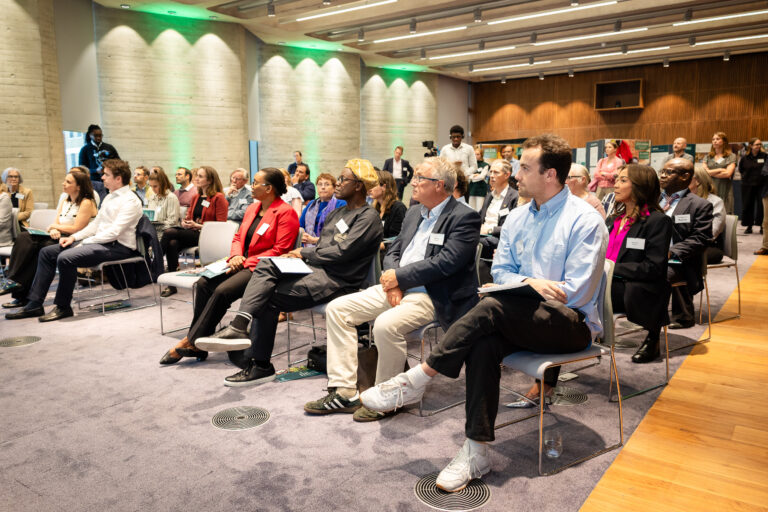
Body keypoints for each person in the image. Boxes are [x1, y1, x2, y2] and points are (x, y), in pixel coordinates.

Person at [360, 134, 607, 492]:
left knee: (491, 306)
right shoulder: (519, 217)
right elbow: (500, 272)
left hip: (570, 323)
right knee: (483, 340)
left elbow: (577, 290)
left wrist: (527, 286)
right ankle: (476, 451)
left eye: (525, 168)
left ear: (550, 174)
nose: (516, 175)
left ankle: (419, 377)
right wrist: (530, 283)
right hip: (517, 315)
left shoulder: (585, 220)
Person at [304, 156, 481, 421]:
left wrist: (400, 278)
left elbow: (446, 263)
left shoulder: (464, 217)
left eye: (420, 178)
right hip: (396, 287)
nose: (413, 182)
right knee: (338, 309)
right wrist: (393, 278)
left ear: (439, 185)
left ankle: (387, 397)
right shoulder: (414, 212)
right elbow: (394, 250)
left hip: (431, 294)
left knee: (385, 325)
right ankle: (344, 391)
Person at [193, 159, 383, 387]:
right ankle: (239, 327)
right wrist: (298, 256)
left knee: (267, 297)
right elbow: (324, 248)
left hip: (338, 280)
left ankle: (259, 364)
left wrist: (304, 252)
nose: (338, 183)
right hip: (315, 270)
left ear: (359, 185)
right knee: (267, 263)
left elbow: (342, 253)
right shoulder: (337, 213)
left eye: (343, 179)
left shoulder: (368, 217)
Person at [159, 168, 300, 365]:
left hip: (263, 268)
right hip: (240, 261)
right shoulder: (253, 208)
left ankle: (191, 341)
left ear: (269, 188)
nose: (251, 186)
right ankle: (197, 341)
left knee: (222, 291)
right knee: (203, 283)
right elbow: (238, 237)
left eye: (255, 183)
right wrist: (235, 256)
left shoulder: (285, 213)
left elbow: (280, 250)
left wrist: (244, 261)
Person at [6, 159, 142, 322]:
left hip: (118, 247)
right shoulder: (109, 197)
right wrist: (73, 238)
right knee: (46, 252)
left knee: (66, 257)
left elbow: (115, 232)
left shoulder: (130, 200)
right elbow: (96, 225)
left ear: (118, 178)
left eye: (106, 175)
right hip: (101, 242)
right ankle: (34, 303)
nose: (102, 178)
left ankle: (63, 307)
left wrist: (84, 242)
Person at [606, 164, 673, 363]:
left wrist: (609, 269)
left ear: (640, 186)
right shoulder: (614, 219)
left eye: (623, 180)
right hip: (607, 281)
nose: (616, 185)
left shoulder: (657, 221)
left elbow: (653, 268)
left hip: (634, 285)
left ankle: (653, 338)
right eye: (616, 179)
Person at [1, 170, 98, 307]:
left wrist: (55, 227)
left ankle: (20, 292)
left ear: (78, 186)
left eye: (68, 182)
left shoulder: (86, 202)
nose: (63, 183)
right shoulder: (65, 201)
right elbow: (55, 223)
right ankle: (15, 284)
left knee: (38, 249)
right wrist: (53, 229)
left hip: (75, 239)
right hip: (60, 236)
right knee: (24, 237)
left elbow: (77, 228)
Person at [659, 158, 713, 329]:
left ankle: (664, 318)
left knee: (661, 272)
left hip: (679, 257)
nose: (662, 175)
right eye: (662, 171)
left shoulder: (700, 205)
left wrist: (672, 252)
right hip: (650, 253)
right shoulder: (652, 200)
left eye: (668, 172)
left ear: (685, 176)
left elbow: (701, 238)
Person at [160, 166, 227, 297]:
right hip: (192, 233)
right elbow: (189, 216)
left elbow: (221, 225)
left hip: (208, 235)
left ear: (210, 180)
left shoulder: (218, 197)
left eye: (200, 176)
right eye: (197, 176)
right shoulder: (196, 197)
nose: (196, 178)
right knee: (172, 243)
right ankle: (171, 285)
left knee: (169, 232)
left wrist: (199, 225)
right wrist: (185, 222)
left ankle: (156, 265)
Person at [477, 159, 519, 283]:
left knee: (472, 241)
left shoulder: (514, 197)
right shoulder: (489, 195)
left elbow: (513, 227)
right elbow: (479, 217)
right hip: (482, 235)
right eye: (490, 172)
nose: (491, 176)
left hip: (497, 238)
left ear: (507, 175)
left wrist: (490, 230)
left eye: (496, 172)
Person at [690, 165, 725, 264]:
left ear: (697, 181)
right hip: (685, 244)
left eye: (687, 177)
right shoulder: (681, 199)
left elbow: (712, 233)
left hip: (708, 246)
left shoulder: (715, 202)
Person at [299, 173, 346, 247]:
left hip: (330, 247)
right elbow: (300, 225)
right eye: (320, 184)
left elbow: (342, 233)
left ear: (334, 188)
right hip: (307, 244)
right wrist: (303, 235)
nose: (323, 187)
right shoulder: (311, 204)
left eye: (327, 184)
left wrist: (315, 240)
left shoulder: (341, 204)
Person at [78, 124, 120, 200]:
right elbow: (82, 169)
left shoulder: (109, 148)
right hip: (93, 183)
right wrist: (95, 171)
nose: (98, 138)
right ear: (90, 135)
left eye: (100, 135)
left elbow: (119, 163)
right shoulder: (85, 150)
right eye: (96, 135)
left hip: (110, 181)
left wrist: (111, 168)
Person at [369, 170, 406, 250]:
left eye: (373, 185)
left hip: (388, 254)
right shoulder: (374, 208)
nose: (369, 189)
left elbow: (396, 241)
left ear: (384, 187)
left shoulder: (398, 208)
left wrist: (370, 247)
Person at [701, 132, 737, 214]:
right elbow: (704, 173)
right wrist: (720, 169)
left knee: (725, 213)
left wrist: (710, 172)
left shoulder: (731, 156)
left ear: (724, 141)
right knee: (708, 212)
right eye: (713, 139)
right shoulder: (707, 156)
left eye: (717, 139)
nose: (715, 141)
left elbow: (728, 174)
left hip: (725, 188)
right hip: (710, 188)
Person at [738, 138, 765, 234]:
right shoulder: (745, 157)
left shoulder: (765, 156)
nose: (759, 146)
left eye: (760, 144)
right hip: (747, 185)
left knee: (762, 206)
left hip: (761, 185)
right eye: (756, 144)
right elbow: (741, 169)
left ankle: (762, 226)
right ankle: (749, 226)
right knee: (747, 205)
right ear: (751, 145)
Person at [146, 171, 180, 242]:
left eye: (155, 186)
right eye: (151, 186)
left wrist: (156, 226)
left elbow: (172, 222)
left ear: (163, 184)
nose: (152, 189)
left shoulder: (171, 198)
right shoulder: (152, 198)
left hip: (165, 233)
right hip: (152, 232)